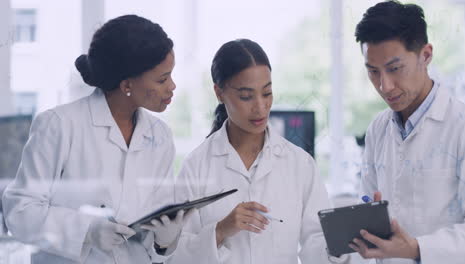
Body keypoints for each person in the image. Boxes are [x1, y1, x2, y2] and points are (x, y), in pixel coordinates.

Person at [2, 15, 191, 263]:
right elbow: (20, 212)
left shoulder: (160, 135)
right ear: (127, 85)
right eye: (162, 79)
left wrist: (165, 242)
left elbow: (157, 226)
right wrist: (87, 231)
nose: (172, 87)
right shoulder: (59, 125)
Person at [167, 39, 349, 264]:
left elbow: (316, 242)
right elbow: (176, 255)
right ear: (219, 92)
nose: (260, 107)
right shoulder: (197, 166)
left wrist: (342, 245)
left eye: (267, 93)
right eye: (246, 96)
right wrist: (221, 230)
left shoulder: (299, 163)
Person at [352, 1, 465, 263]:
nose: (385, 86)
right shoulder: (378, 129)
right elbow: (368, 207)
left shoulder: (462, 127)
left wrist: (416, 248)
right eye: (373, 72)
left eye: (394, 69)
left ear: (425, 55)